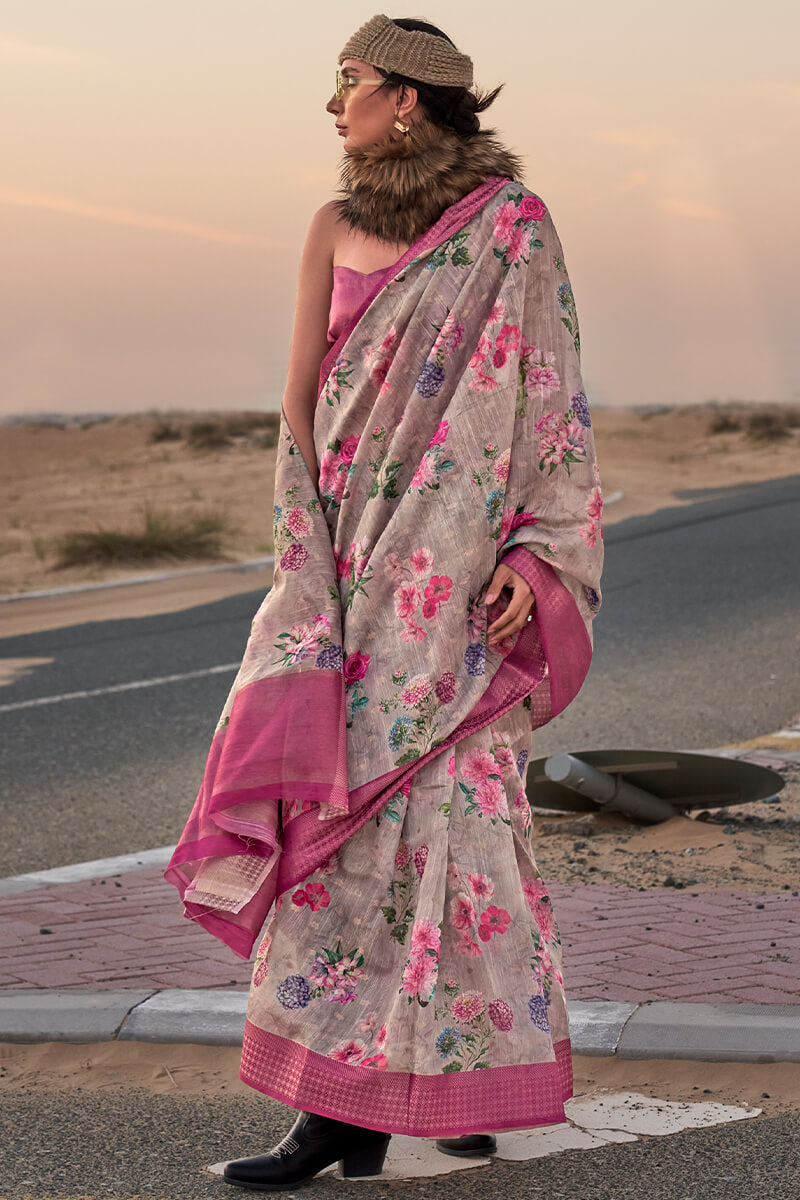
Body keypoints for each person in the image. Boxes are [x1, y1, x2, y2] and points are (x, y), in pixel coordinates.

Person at [165, 12, 604, 1191]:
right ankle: (336, 1115)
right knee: (336, 817)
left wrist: (531, 551)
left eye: (347, 82)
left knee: (458, 834)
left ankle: (450, 1083)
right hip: (349, 576)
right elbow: (300, 408)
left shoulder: (511, 228)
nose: (333, 105)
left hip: (458, 587)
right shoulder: (333, 225)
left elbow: (548, 406)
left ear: (406, 99)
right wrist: (302, 567)